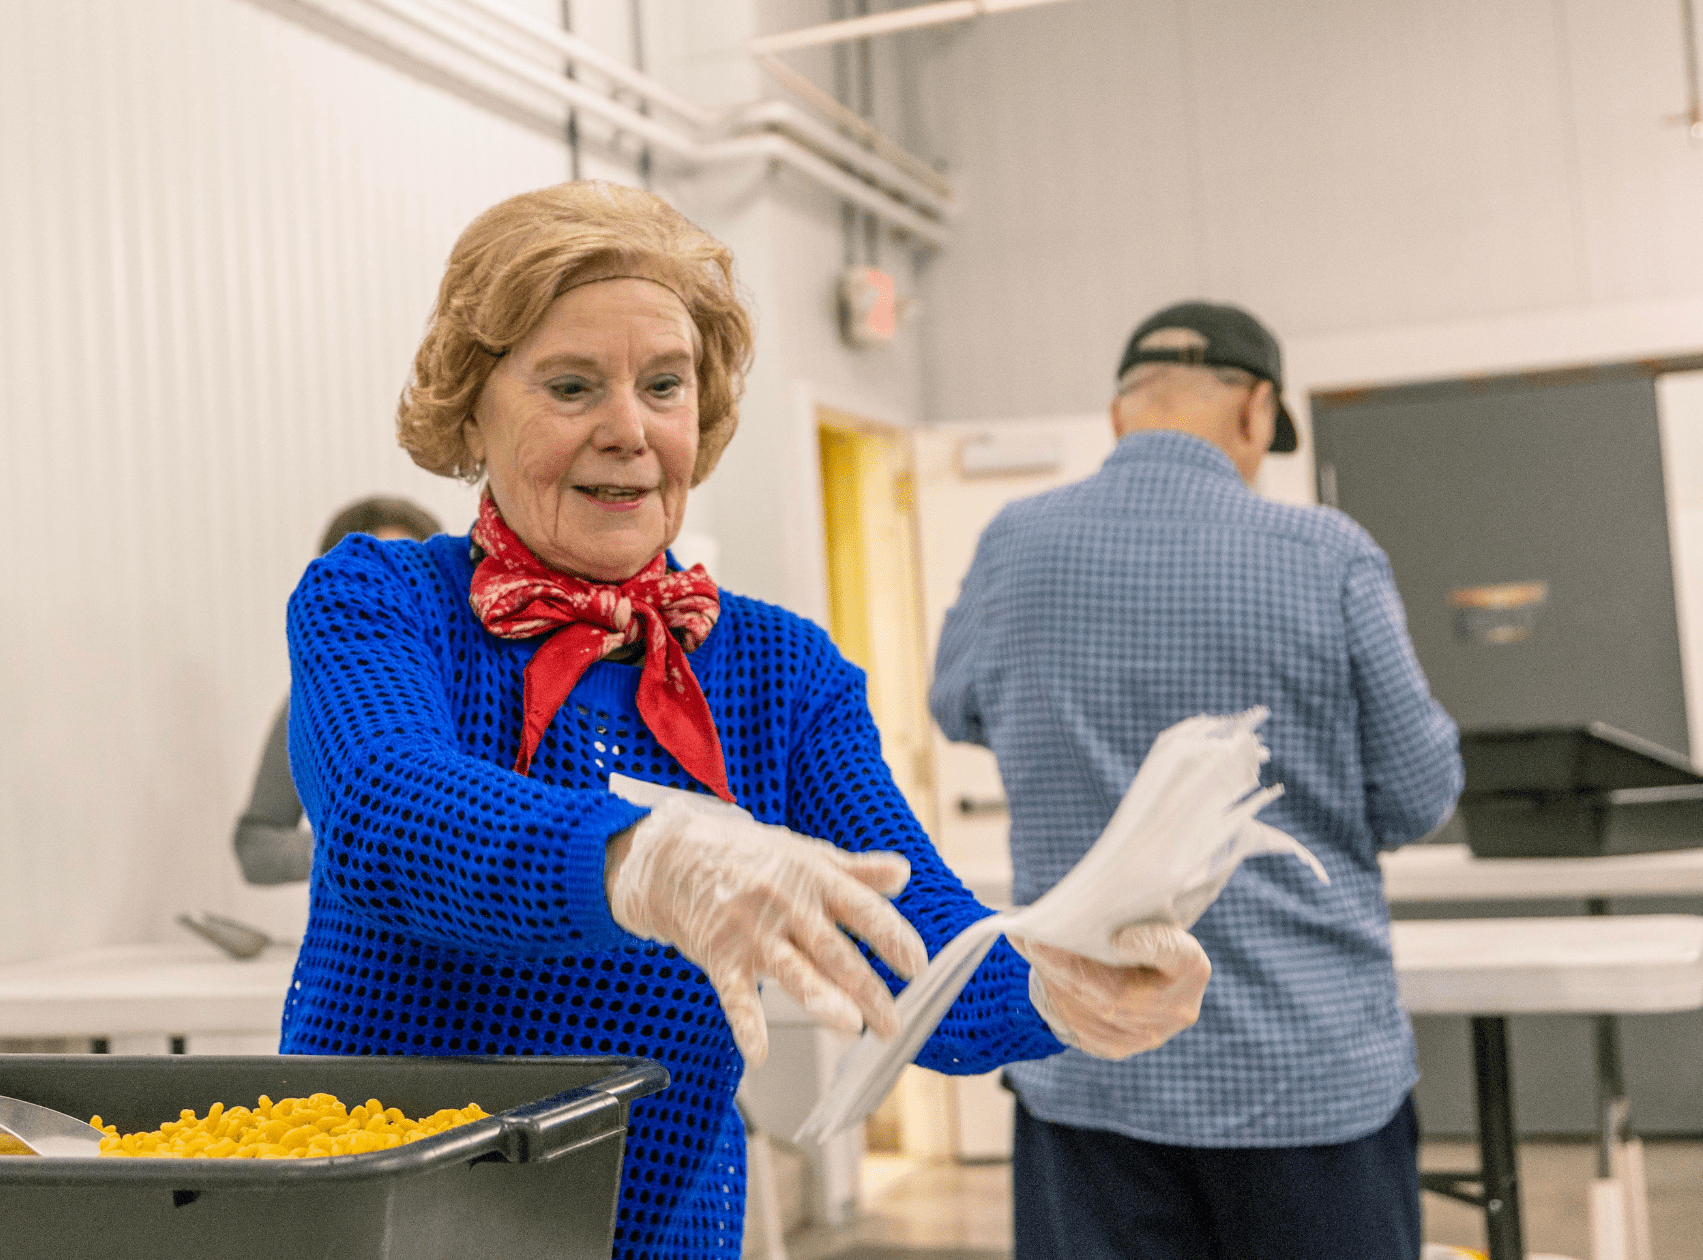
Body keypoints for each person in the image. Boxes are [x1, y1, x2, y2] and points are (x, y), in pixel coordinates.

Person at [280, 182, 1212, 1258]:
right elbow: (383, 811)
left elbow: (917, 946)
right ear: (470, 405)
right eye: (572, 385)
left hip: (656, 1237)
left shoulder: (779, 670)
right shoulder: (377, 600)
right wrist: (639, 860)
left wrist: (1064, 983)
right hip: (383, 1229)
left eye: (663, 385)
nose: (627, 430)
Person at [929, 301, 1463, 1260]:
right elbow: (1420, 794)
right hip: (1304, 1077)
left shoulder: (1015, 544)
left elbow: (957, 709)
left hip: (1084, 1066)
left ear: (1119, 414)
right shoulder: (1330, 555)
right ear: (1256, 412)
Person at [234, 496, 442, 885]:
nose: (396, 595)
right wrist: (357, 850)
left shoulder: (495, 684)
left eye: (412, 573)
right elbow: (255, 847)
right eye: (371, 578)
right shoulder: (315, 703)